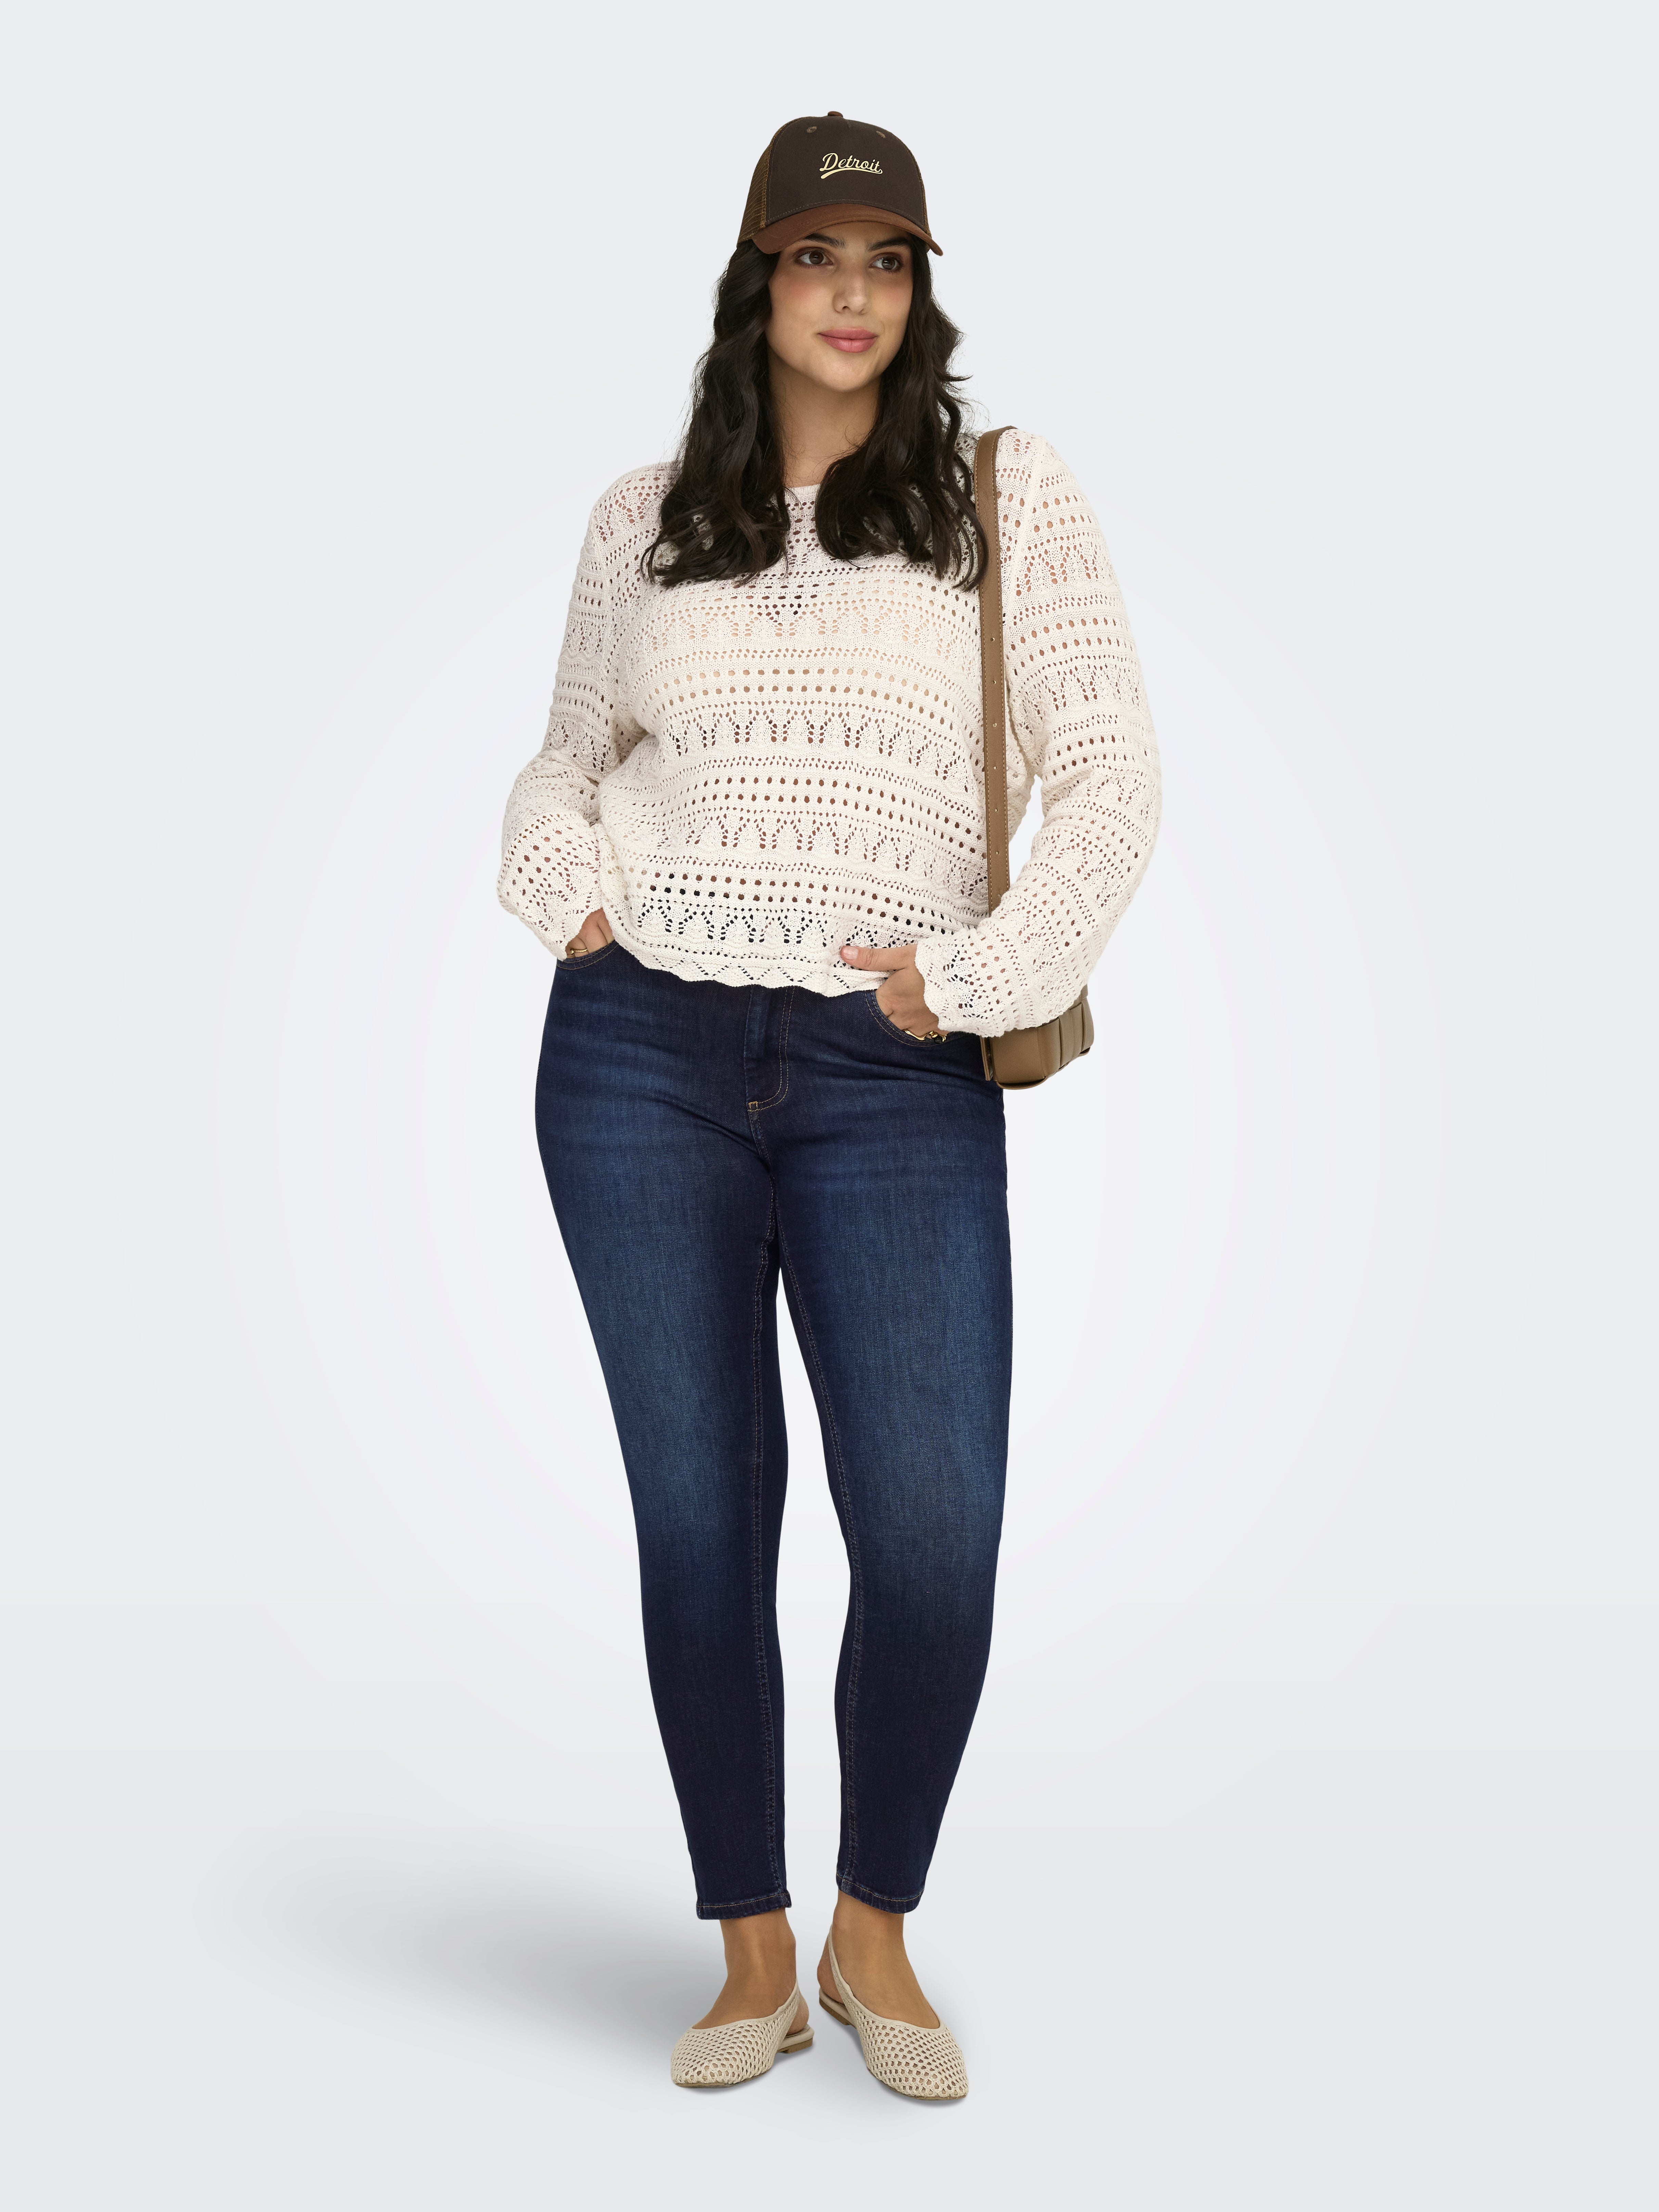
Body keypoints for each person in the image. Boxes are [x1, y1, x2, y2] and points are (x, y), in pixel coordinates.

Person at [498, 110, 1160, 2098]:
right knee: (703, 1525)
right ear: (757, 281)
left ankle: (875, 1936)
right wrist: (565, 884)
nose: (852, 296)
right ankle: (752, 1954)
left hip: (896, 1071)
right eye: (816, 257)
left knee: (936, 1535)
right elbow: (562, 758)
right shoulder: (642, 518)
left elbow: (1112, 774)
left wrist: (974, 978)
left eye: (886, 261)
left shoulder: (998, 494)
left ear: (919, 290)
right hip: (640, 1060)